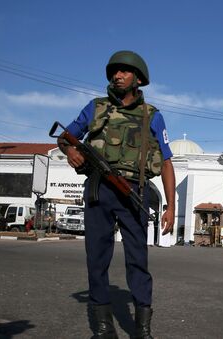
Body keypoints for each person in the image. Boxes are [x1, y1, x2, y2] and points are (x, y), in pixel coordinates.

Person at [58, 50, 175, 339]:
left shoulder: (152, 116)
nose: (117, 76)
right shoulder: (95, 108)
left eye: (124, 71)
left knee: (138, 259)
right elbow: (65, 136)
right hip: (99, 189)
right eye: (114, 72)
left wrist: (171, 206)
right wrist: (70, 149)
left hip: (134, 190)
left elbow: (167, 161)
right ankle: (102, 326)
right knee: (96, 257)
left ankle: (142, 328)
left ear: (138, 79)